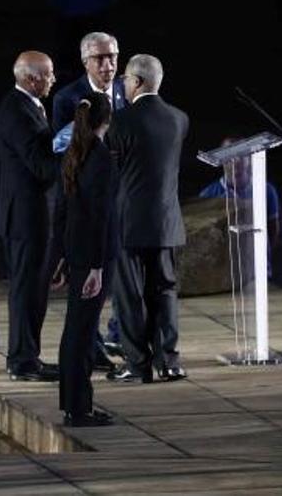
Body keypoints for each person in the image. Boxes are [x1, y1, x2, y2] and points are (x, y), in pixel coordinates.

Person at [107, 54, 189, 384]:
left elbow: (113, 170)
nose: (123, 84)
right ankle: (168, 361)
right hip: (166, 220)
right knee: (165, 291)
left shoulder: (120, 121)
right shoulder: (179, 119)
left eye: (125, 79)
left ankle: (137, 364)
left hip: (128, 222)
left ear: (137, 82)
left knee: (129, 295)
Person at [50, 30, 127, 368]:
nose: (108, 64)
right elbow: (63, 157)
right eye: (100, 58)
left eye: (112, 56)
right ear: (85, 62)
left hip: (125, 199)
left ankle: (123, 337)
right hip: (90, 201)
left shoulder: (129, 92)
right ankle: (91, 349)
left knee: (124, 274)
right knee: (90, 287)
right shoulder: (68, 99)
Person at [51, 94, 116, 426]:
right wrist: (96, 267)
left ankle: (73, 404)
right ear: (107, 119)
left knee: (74, 330)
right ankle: (80, 409)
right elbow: (99, 218)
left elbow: (62, 211)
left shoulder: (75, 153)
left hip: (75, 252)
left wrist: (61, 256)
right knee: (83, 331)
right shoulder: (101, 158)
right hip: (92, 257)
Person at [0, 51, 59, 382]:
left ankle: (28, 356)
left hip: (32, 217)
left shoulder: (28, 107)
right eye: (48, 74)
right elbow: (42, 167)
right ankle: (21, 361)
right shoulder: (18, 111)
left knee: (35, 289)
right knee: (25, 290)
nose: (53, 79)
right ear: (31, 78)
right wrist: (74, 150)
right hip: (25, 218)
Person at [200, 136, 280, 277]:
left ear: (250, 158)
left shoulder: (266, 190)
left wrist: (261, 255)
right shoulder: (208, 195)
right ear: (222, 160)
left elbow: (273, 229)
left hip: (258, 272)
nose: (236, 162)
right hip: (223, 273)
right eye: (230, 156)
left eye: (241, 155)